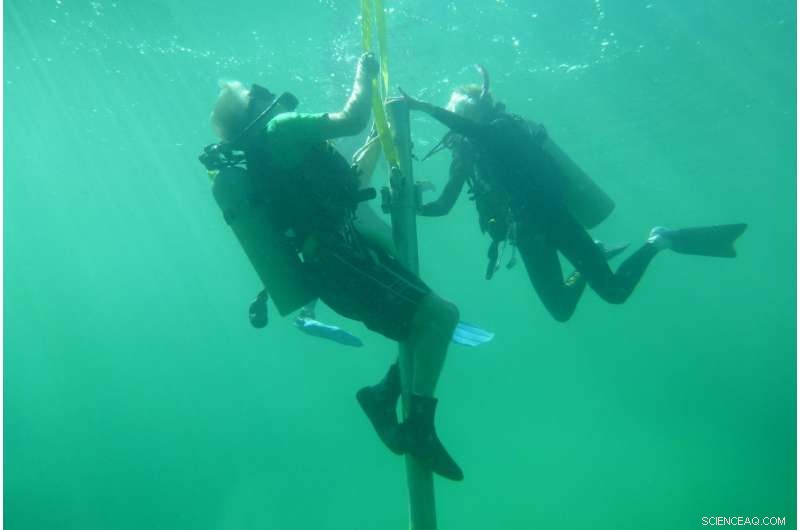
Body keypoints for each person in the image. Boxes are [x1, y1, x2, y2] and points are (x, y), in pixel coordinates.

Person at [204, 53, 463, 480]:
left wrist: (382, 140)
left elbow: (347, 183)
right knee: (440, 316)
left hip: (338, 261)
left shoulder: (272, 153)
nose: (266, 90)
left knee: (423, 324)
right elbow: (351, 118)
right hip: (342, 261)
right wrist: (366, 73)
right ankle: (417, 429)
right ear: (253, 106)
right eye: (256, 91)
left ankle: (383, 399)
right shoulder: (279, 129)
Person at [399, 67, 747, 322]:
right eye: (452, 109)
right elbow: (444, 204)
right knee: (561, 309)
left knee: (614, 293)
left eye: (461, 108)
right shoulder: (465, 154)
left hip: (555, 219)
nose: (456, 113)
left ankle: (660, 240)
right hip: (527, 236)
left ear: (480, 107)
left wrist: (423, 107)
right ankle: (597, 251)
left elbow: (477, 131)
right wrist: (412, 206)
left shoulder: (502, 129)